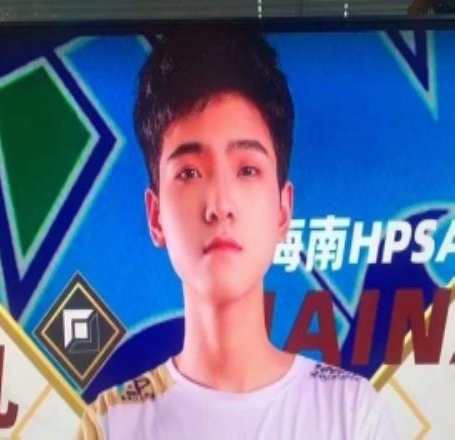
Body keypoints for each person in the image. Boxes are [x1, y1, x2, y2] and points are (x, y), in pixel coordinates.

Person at [77, 27, 397, 439]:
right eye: (189, 173)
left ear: (283, 210)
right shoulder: (113, 422)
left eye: (247, 169)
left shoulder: (350, 412)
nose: (219, 204)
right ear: (156, 216)